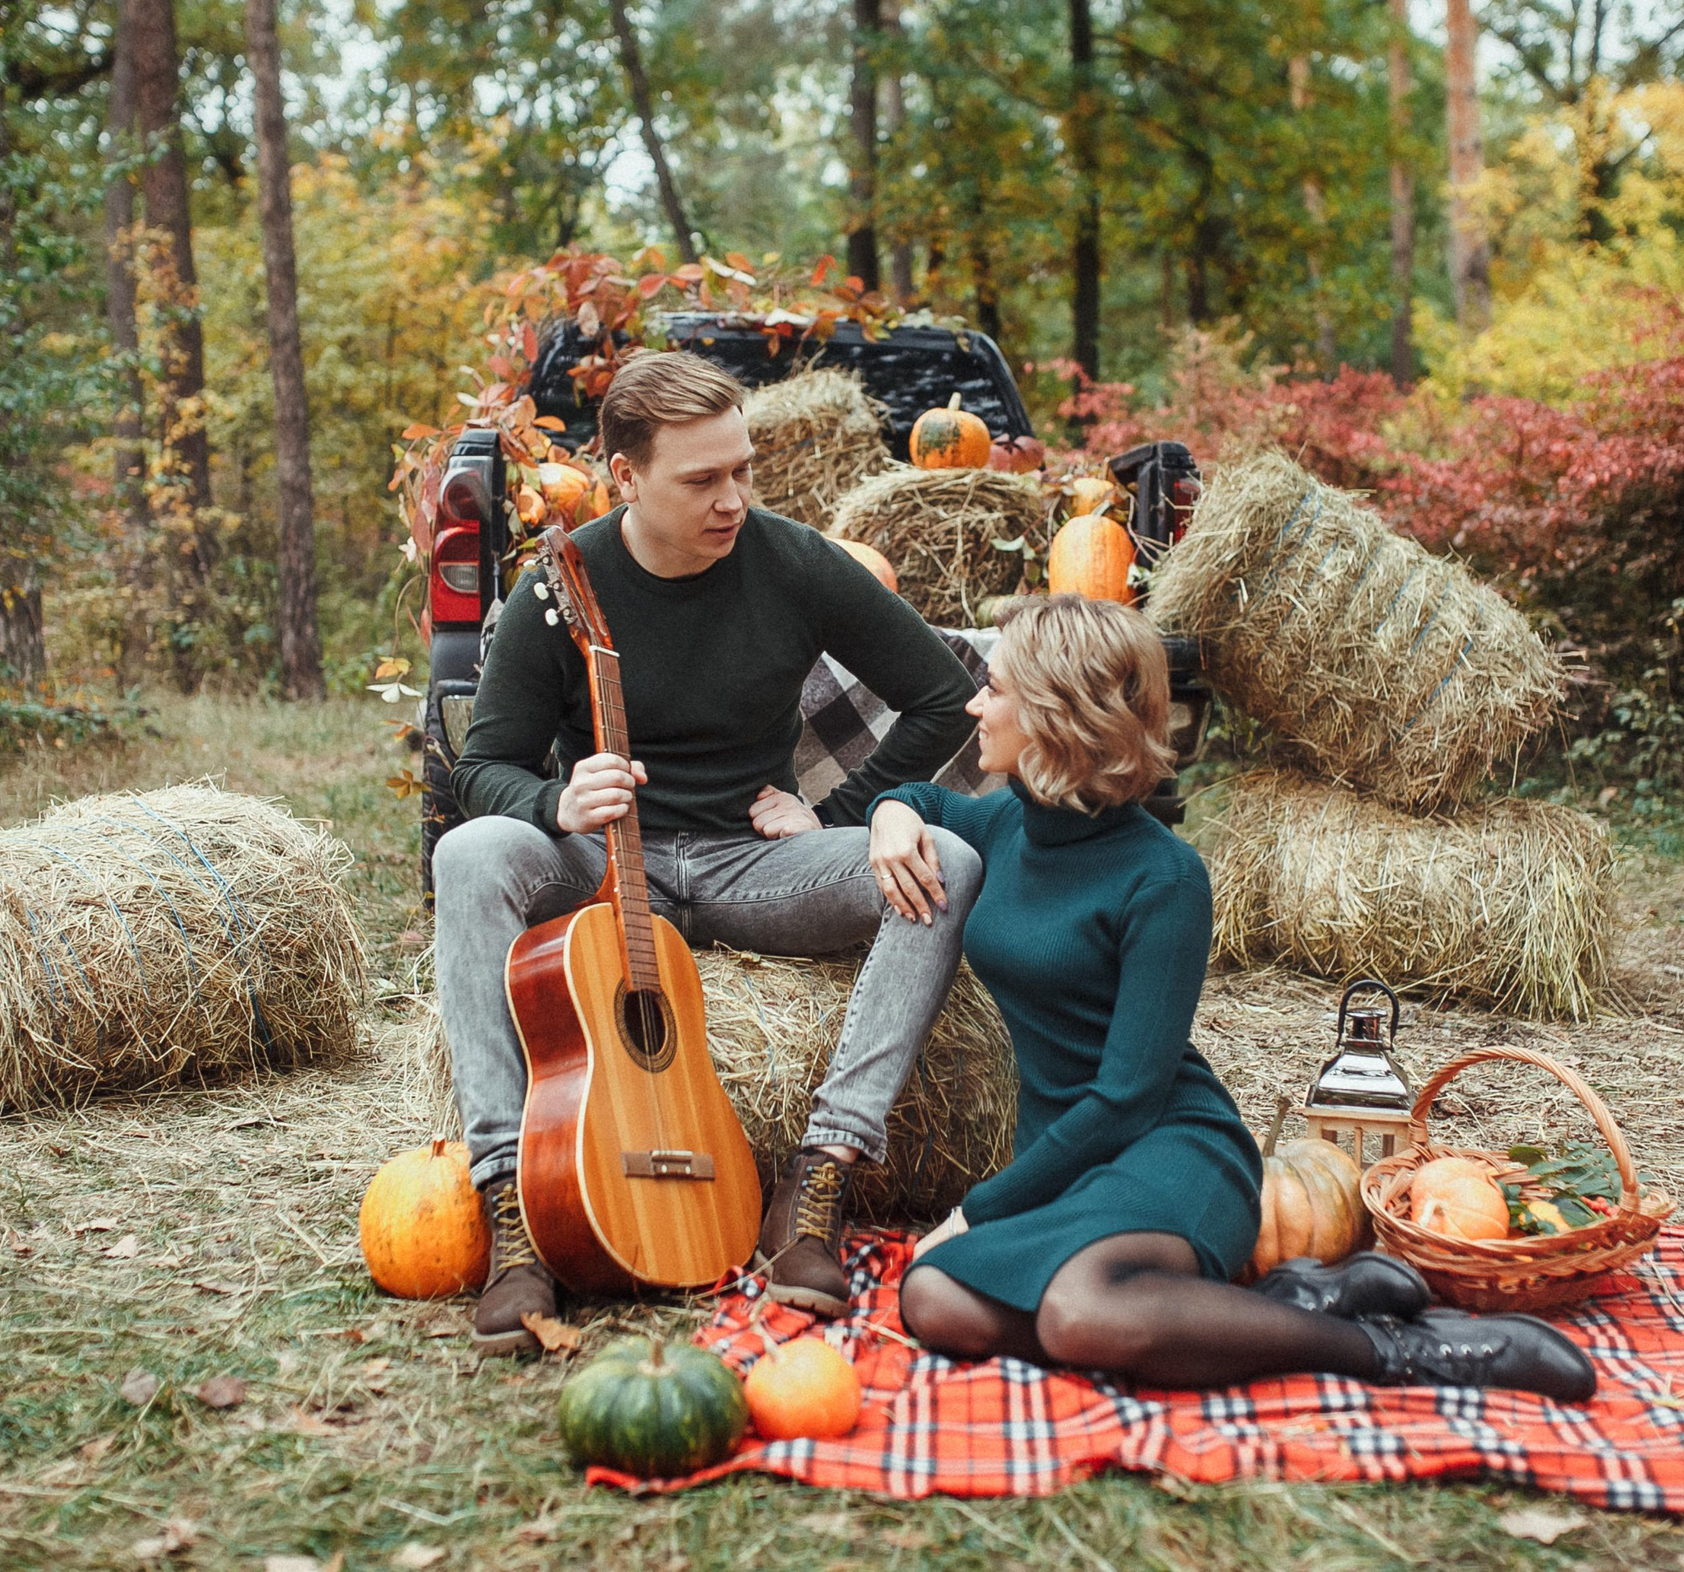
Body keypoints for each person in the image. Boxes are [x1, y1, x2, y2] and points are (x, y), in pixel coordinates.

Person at [880, 596, 1596, 1400]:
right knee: (933, 1299)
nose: (975, 705)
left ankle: (1398, 1349)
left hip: (1169, 1146)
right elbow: (925, 802)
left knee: (1079, 1314)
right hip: (1065, 1159)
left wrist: (979, 1209)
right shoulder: (1007, 824)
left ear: (1056, 713)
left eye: (995, 688)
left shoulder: (1163, 876)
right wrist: (891, 814)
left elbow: (1125, 1097)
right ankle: (1277, 1304)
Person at [435, 349, 985, 1356]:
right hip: (606, 872)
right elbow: (481, 770)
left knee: (944, 861)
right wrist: (557, 801)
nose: (732, 499)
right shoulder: (559, 584)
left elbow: (944, 695)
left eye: (742, 470)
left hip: (751, 866)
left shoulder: (792, 562)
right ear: (625, 476)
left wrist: (843, 809)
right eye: (702, 479)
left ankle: (816, 1181)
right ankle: (514, 1208)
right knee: (472, 855)